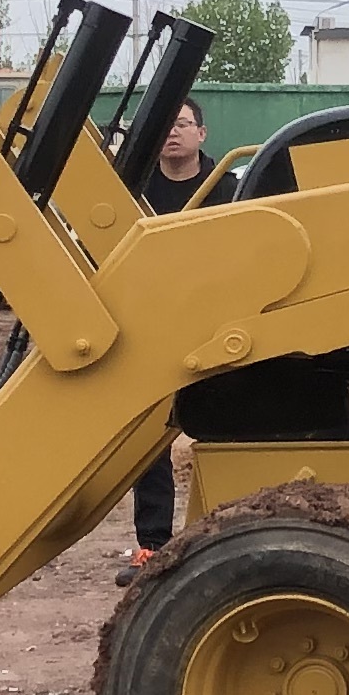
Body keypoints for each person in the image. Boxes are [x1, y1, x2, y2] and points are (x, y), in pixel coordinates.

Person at [115, 100, 209, 577]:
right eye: (165, 125)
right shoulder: (132, 193)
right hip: (152, 328)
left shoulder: (228, 187)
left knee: (223, 432)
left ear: (202, 134)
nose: (173, 133)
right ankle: (152, 545)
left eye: (183, 124)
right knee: (148, 440)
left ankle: (222, 535)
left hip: (215, 324)